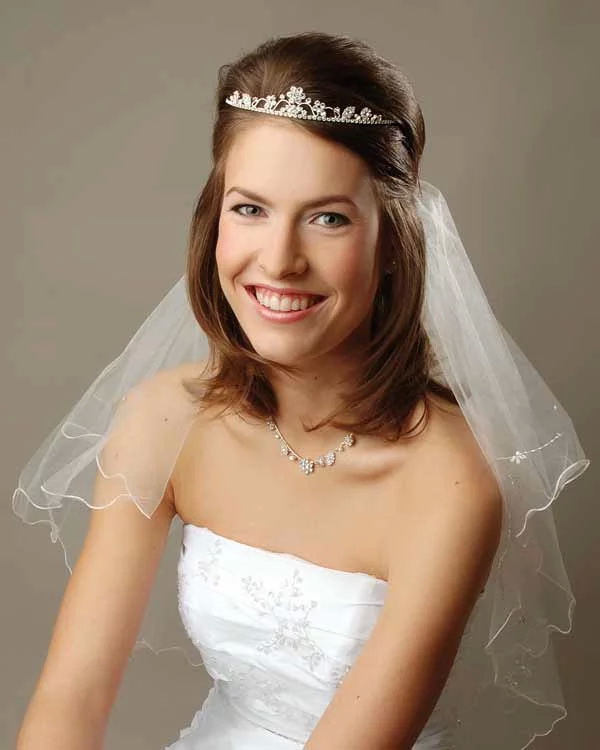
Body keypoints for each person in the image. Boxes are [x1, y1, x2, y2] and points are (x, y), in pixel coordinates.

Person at [12, 31, 590, 750]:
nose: (280, 260)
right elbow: (71, 696)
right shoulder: (163, 419)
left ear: (393, 241)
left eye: (328, 218)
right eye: (250, 209)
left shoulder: (449, 482)